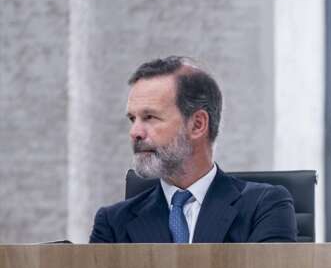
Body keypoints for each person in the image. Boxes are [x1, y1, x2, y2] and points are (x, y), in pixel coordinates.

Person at [90, 57, 297, 243]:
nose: (134, 132)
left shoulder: (264, 207)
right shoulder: (112, 224)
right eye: (132, 119)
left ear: (197, 124)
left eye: (150, 117)